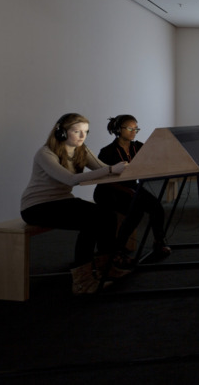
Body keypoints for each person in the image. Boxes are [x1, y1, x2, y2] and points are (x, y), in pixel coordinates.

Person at [21, 113, 127, 294]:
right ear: (61, 132)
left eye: (86, 131)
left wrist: (128, 168)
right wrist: (111, 169)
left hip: (63, 201)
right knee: (91, 222)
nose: (82, 136)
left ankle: (106, 268)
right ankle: (82, 281)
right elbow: (70, 179)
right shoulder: (45, 153)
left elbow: (102, 169)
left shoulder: (81, 150)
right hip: (36, 206)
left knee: (108, 216)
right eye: (77, 131)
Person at [94, 115, 170, 266]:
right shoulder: (107, 151)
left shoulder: (138, 147)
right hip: (109, 190)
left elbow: (154, 158)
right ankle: (118, 251)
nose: (134, 131)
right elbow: (103, 180)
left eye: (136, 128)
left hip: (131, 187)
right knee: (135, 212)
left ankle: (158, 242)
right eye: (130, 128)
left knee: (157, 207)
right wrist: (127, 191)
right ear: (118, 130)